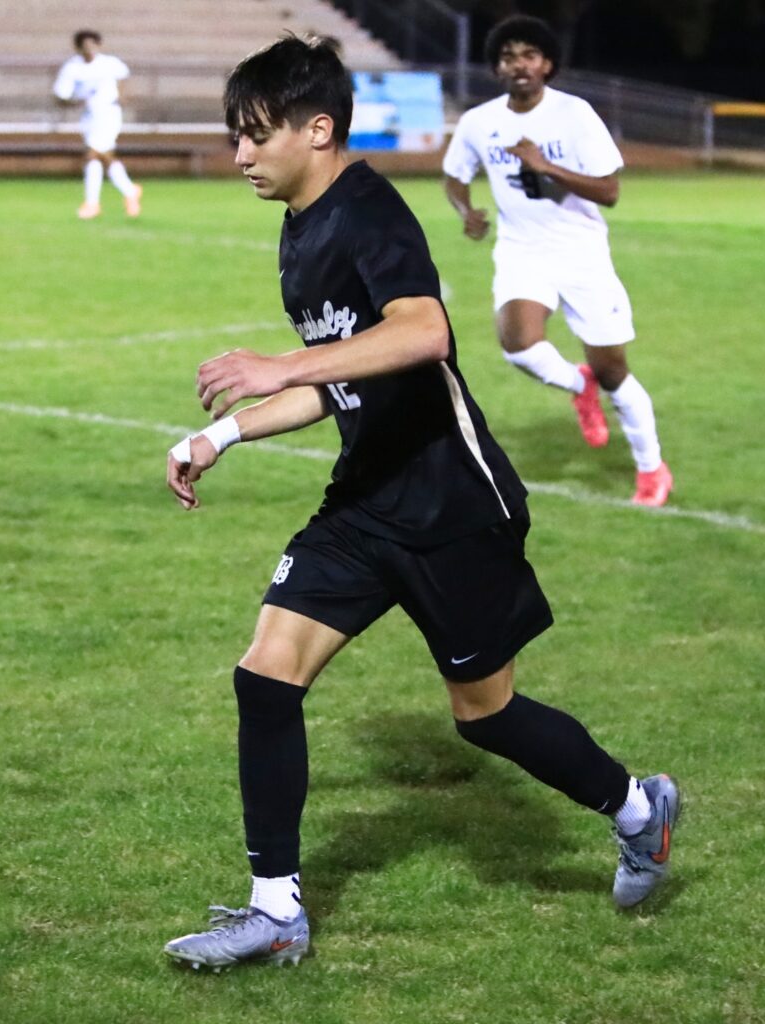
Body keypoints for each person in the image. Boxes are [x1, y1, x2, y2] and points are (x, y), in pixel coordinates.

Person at [162, 35, 680, 972]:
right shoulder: (298, 229)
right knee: (265, 676)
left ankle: (640, 809)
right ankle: (275, 911)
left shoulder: (370, 211)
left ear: (318, 130)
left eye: (255, 134)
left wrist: (281, 364)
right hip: (365, 501)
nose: (239, 154)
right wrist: (221, 435)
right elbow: (340, 378)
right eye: (235, 135)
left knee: (486, 716)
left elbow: (424, 332)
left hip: (451, 506)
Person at [442, 15, 672, 508]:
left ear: (547, 64)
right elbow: (455, 176)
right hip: (521, 250)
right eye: (508, 57)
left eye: (529, 55)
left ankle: (652, 467)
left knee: (613, 372)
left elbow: (609, 191)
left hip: (581, 254)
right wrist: (466, 212)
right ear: (497, 68)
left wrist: (545, 166)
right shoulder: (479, 122)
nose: (519, 65)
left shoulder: (574, 114)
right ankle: (577, 383)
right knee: (518, 346)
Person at [52, 29, 142, 220]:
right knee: (105, 157)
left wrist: (122, 95)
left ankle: (92, 204)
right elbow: (60, 96)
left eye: (92, 45)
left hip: (109, 114)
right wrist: (75, 102)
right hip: (89, 117)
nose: (89, 50)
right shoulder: (72, 68)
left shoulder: (109, 63)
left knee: (92, 155)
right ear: (78, 48)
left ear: (98, 46)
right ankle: (130, 190)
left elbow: (122, 77)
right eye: (85, 46)